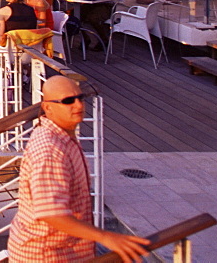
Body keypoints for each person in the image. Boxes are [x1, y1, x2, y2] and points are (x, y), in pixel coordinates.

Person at [8, 76, 149, 262]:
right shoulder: (50, 150)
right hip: (46, 255)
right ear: (47, 107)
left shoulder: (62, 137)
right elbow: (51, 213)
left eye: (80, 98)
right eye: (67, 101)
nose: (78, 105)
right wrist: (106, 237)